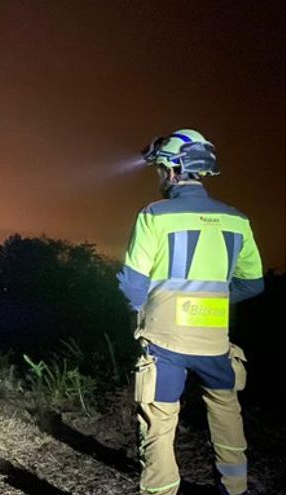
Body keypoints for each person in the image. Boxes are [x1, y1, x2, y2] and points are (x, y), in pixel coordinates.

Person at [117, 129, 264, 495]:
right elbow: (254, 284)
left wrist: (144, 312)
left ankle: (161, 490)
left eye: (160, 169)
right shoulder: (237, 220)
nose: (159, 177)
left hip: (165, 341)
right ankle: (235, 486)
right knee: (226, 411)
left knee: (160, 420)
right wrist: (210, 301)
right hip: (215, 342)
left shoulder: (154, 215)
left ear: (171, 170)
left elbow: (132, 285)